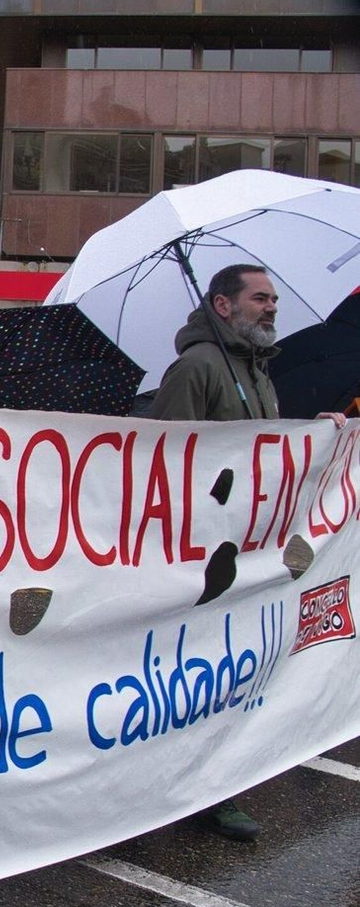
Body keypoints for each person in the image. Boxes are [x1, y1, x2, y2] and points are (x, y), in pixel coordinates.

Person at [150, 262, 345, 842]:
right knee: (196, 679)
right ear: (224, 305)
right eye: (260, 298)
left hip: (246, 552)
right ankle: (178, 788)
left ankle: (216, 785)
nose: (272, 307)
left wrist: (317, 436)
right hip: (203, 558)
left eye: (275, 298)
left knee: (231, 677)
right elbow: (162, 463)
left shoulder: (256, 370)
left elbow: (267, 449)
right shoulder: (196, 368)